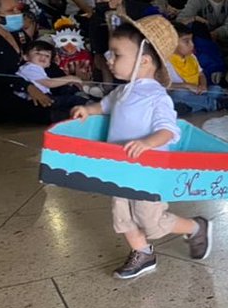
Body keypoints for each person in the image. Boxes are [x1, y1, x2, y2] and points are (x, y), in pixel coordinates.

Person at [69, 17, 212, 280]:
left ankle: (195, 227)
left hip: (148, 169)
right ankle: (142, 252)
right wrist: (86, 110)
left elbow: (169, 130)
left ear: (144, 61)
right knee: (121, 215)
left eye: (117, 54)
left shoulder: (156, 97)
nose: (109, 59)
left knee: (151, 220)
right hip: (120, 166)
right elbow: (104, 107)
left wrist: (147, 143)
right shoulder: (122, 91)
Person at [167, 23, 228, 114]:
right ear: (172, 43)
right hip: (181, 94)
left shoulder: (192, 57)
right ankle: (214, 104)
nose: (192, 45)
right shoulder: (165, 61)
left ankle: (192, 107)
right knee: (178, 95)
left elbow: (201, 74)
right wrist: (186, 85)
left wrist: (203, 85)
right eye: (186, 41)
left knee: (216, 90)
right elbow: (163, 85)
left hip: (196, 92)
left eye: (192, 40)